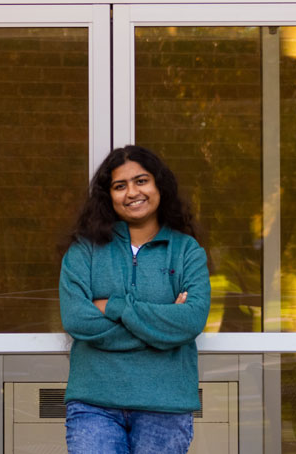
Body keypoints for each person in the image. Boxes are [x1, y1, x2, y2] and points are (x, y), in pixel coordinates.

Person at [58, 145, 212, 454]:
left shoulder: (186, 250)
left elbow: (191, 320)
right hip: (94, 402)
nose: (132, 192)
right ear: (108, 195)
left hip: (166, 404)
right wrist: (162, 327)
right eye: (120, 185)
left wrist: (113, 307)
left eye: (141, 181)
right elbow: (77, 320)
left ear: (158, 186)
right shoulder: (84, 250)